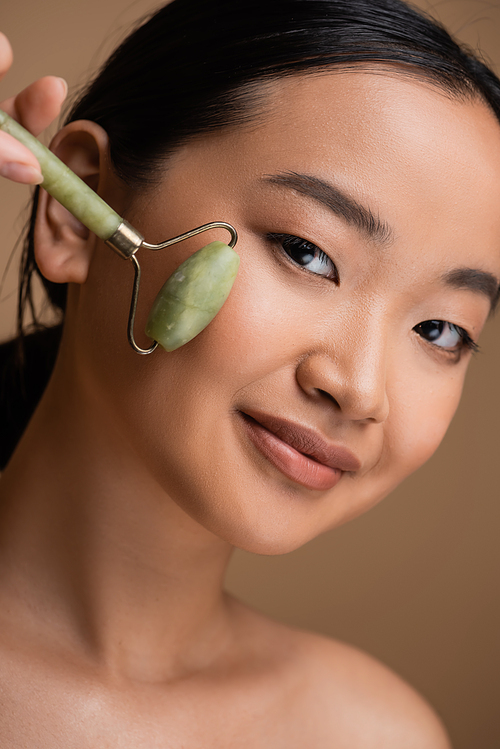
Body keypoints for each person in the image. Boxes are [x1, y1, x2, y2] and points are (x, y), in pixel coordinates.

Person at [1, 0, 499, 745]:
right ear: (81, 210)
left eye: (441, 329)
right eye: (306, 251)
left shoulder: (371, 735)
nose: (361, 386)